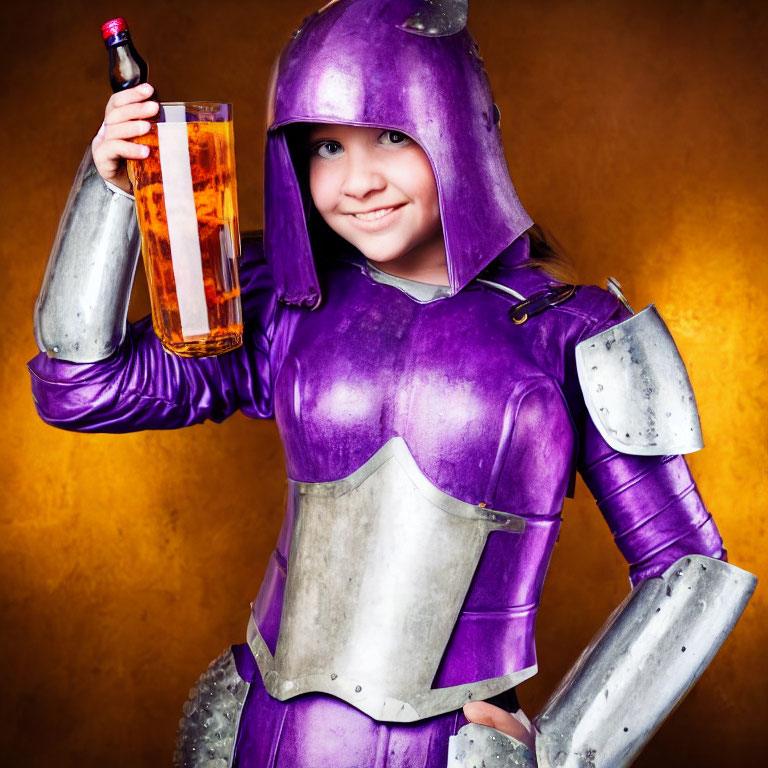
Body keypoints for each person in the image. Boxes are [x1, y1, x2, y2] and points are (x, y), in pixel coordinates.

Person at [29, 2, 755, 767]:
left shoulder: (573, 330)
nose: (359, 182)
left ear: (458, 130)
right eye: (327, 147)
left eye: (393, 137)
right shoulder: (286, 303)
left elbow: (689, 569)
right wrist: (106, 190)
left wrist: (568, 747)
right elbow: (82, 386)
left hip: (452, 747)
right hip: (257, 734)